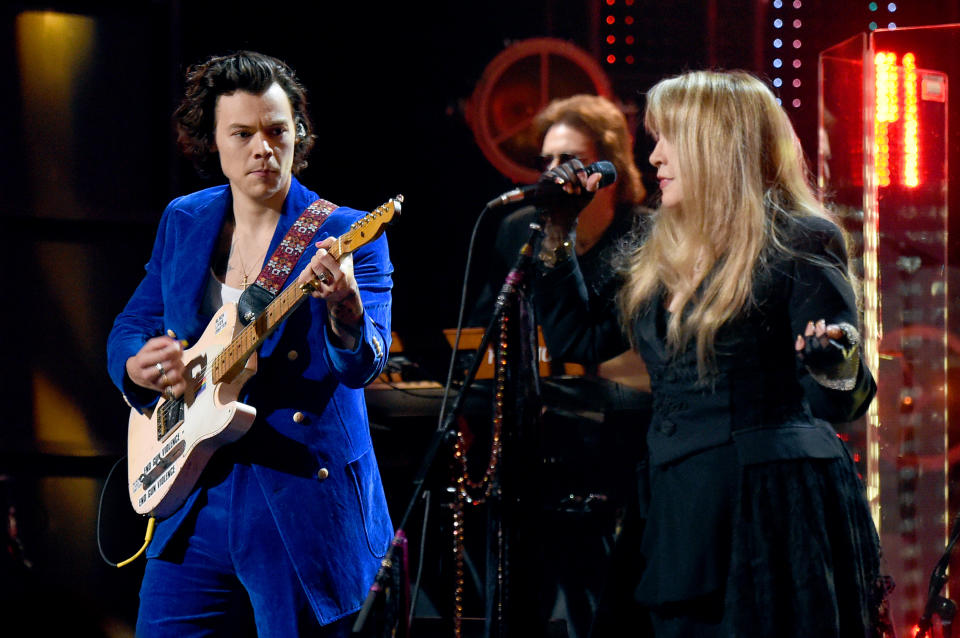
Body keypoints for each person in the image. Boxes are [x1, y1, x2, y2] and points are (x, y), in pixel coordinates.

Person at [532, 70, 887, 637]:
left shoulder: (799, 238)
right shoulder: (657, 243)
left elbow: (840, 401)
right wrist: (556, 233)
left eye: (668, 137)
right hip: (675, 506)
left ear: (716, 144)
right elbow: (582, 339)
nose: (654, 157)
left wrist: (832, 361)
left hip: (767, 507)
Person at [106, 51, 393, 637]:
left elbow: (365, 362)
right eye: (242, 133)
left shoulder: (345, 232)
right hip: (193, 494)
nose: (262, 147)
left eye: (276, 130)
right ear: (212, 141)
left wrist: (345, 306)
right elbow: (132, 323)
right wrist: (138, 365)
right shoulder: (185, 218)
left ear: (297, 136)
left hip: (300, 498)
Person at [466, 94, 653, 638]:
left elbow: (606, 341)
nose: (553, 172)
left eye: (568, 159)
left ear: (605, 165)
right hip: (540, 436)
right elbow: (484, 329)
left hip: (618, 436)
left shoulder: (641, 236)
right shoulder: (517, 229)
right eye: (546, 161)